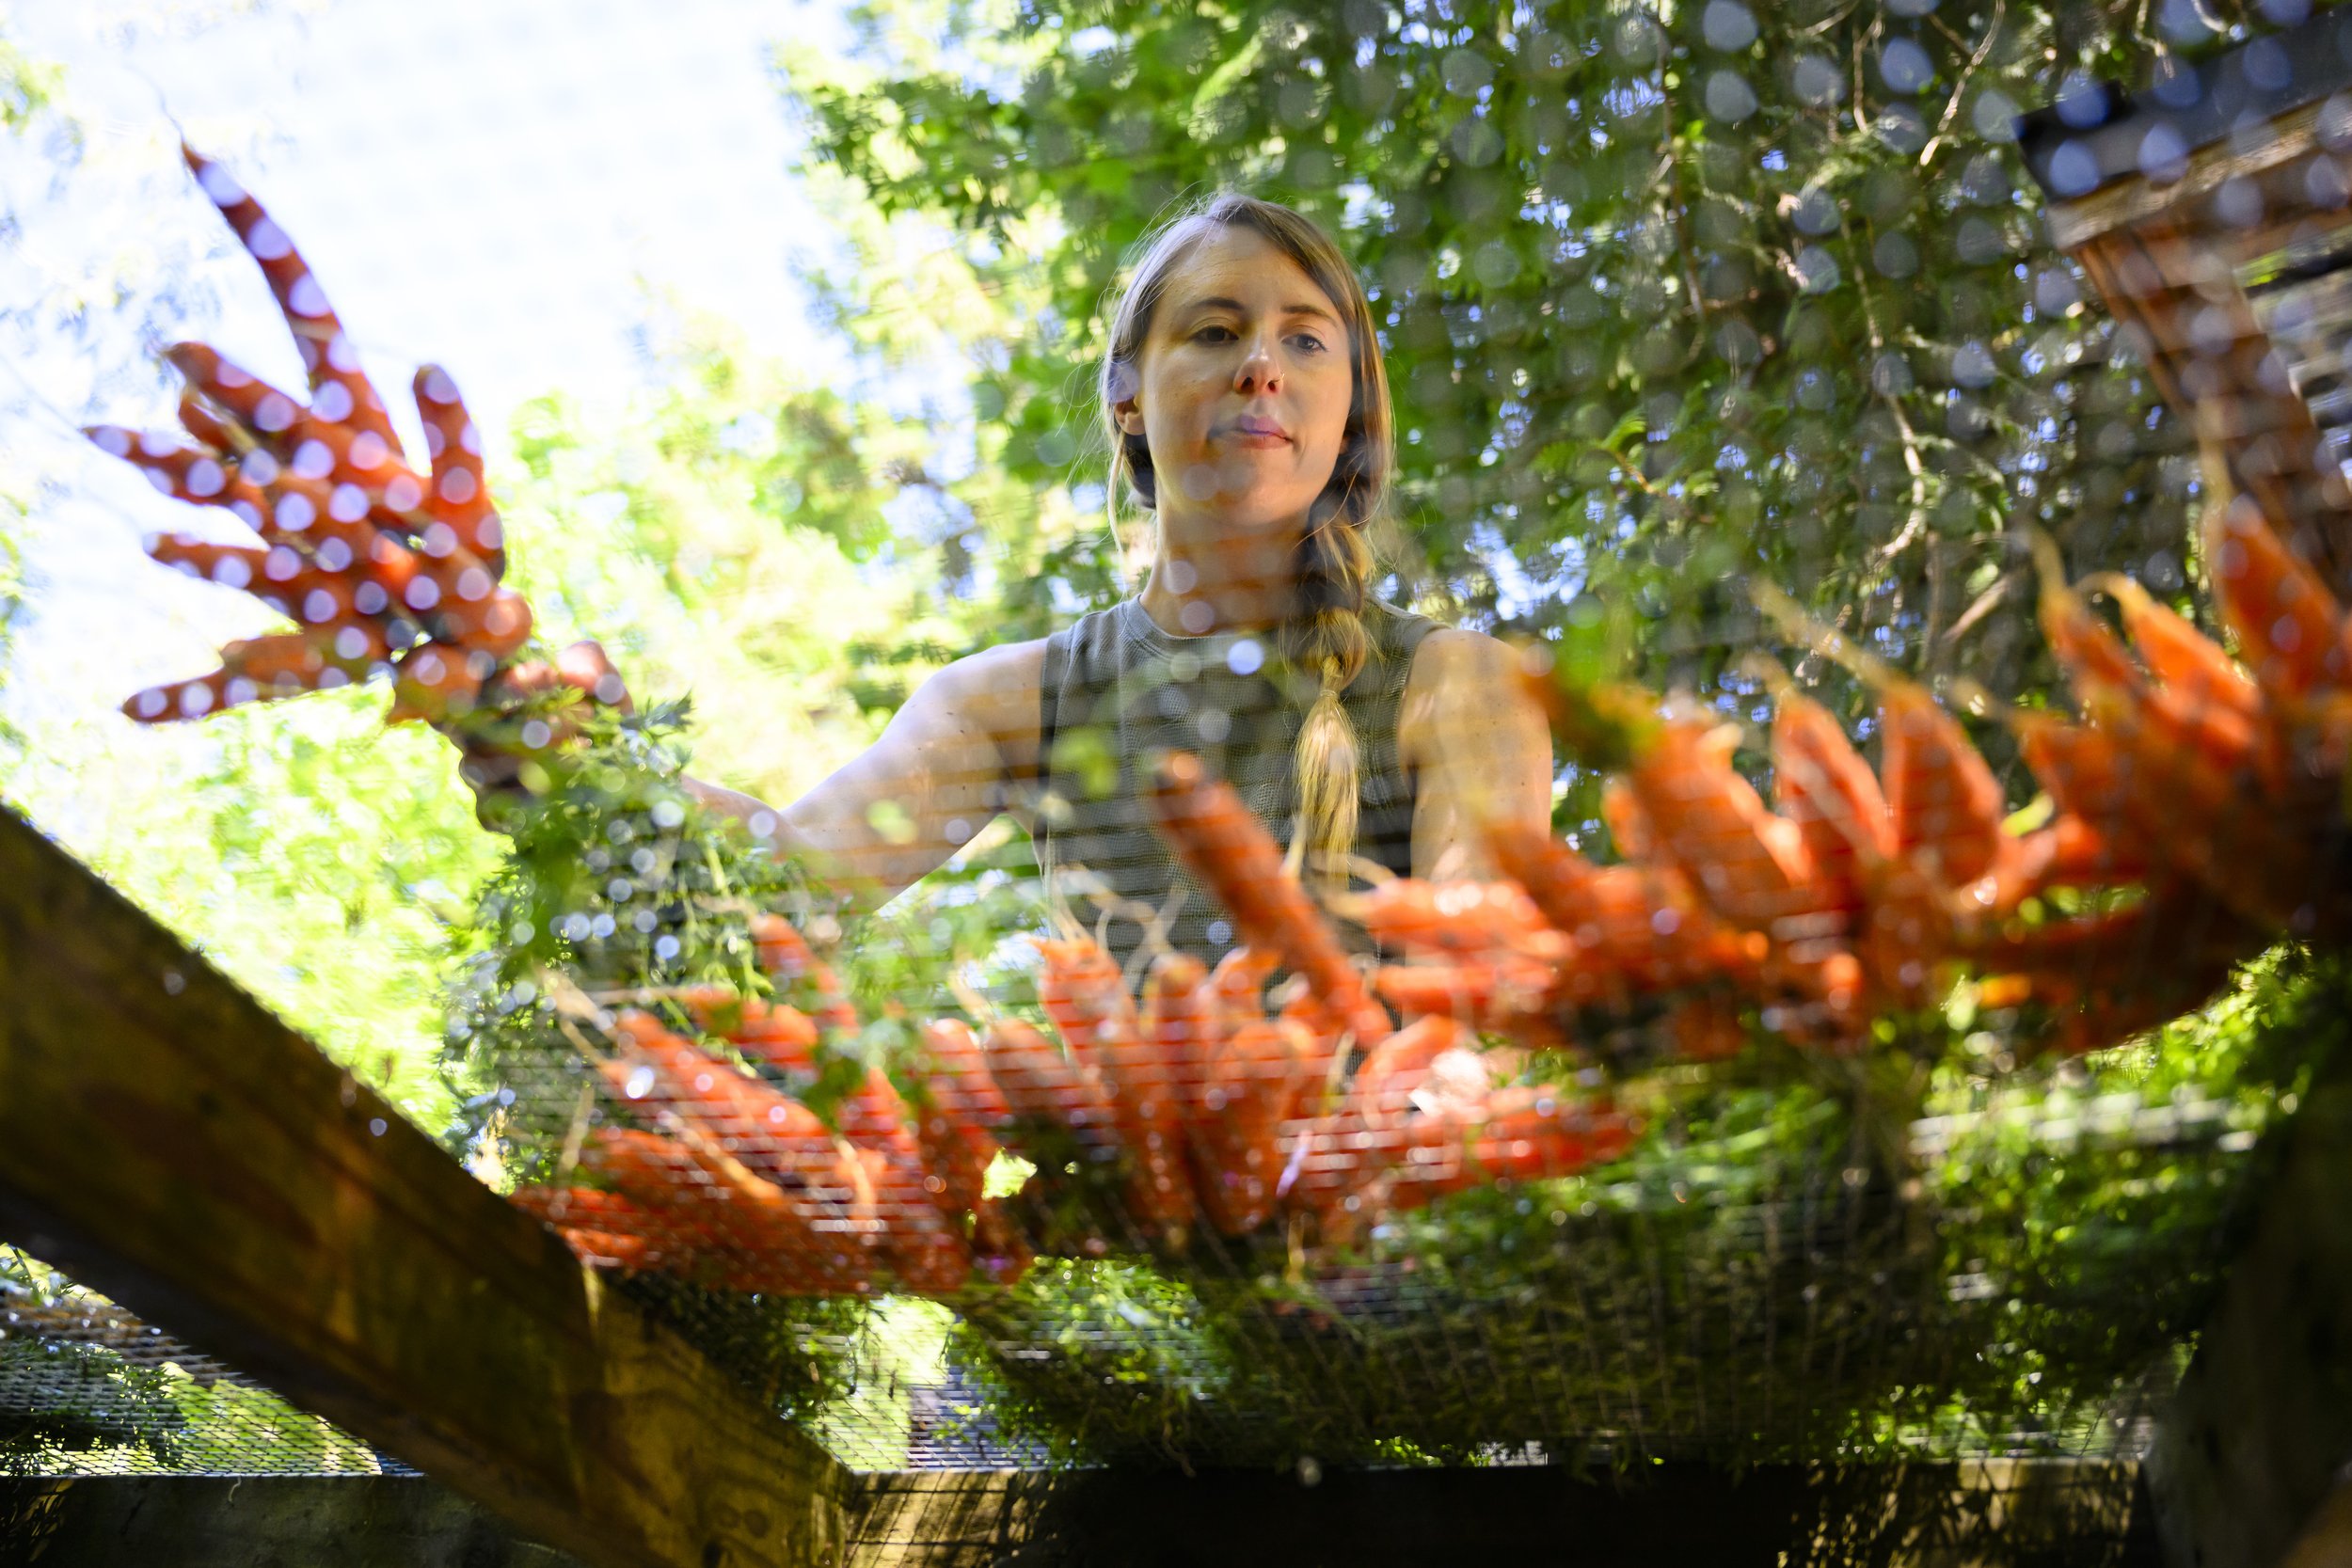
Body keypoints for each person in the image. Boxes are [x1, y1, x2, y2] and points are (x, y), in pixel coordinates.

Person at [661, 194, 1557, 968]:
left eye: (1306, 339)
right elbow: (792, 888)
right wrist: (575, 760)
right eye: (1214, 331)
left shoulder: (1461, 688)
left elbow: (1482, 1011)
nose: (1262, 366)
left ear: (1350, 408)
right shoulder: (1016, 702)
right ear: (1127, 397)